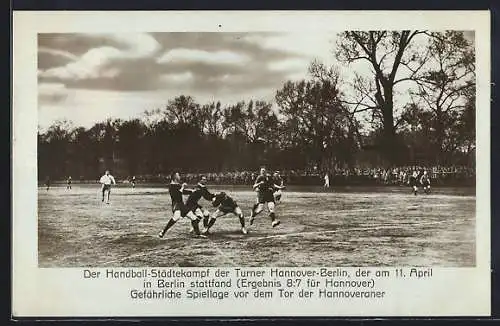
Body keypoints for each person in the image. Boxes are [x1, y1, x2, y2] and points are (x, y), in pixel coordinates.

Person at [158, 172, 205, 238]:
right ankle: (163, 231)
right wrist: (182, 187)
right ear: (174, 177)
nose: (180, 176)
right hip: (176, 204)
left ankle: (198, 234)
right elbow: (177, 195)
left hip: (182, 205)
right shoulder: (171, 186)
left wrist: (191, 191)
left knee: (194, 218)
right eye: (178, 175)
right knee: (176, 217)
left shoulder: (177, 185)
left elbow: (183, 191)